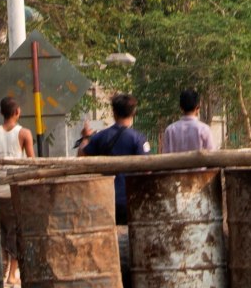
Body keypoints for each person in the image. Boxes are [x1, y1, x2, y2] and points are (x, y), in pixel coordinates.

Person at [0, 96, 36, 286]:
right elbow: (32, 162)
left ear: (1, 113)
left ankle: (3, 269)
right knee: (15, 232)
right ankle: (12, 274)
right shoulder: (24, 134)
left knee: (1, 232)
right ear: (17, 112)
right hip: (16, 192)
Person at [80, 92, 150, 223]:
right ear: (133, 112)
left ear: (114, 112)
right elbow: (146, 171)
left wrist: (85, 138)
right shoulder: (138, 139)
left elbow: (82, 156)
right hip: (130, 199)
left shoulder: (100, 137)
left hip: (103, 199)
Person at [161, 89, 217, 153]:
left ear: (181, 108)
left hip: (175, 163)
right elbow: (212, 155)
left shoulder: (170, 130)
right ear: (197, 108)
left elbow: (165, 155)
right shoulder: (204, 129)